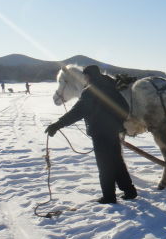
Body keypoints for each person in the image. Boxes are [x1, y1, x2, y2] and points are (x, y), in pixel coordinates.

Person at [45, 65, 136, 204]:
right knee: (117, 162)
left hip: (100, 133)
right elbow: (124, 107)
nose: (85, 79)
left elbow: (76, 112)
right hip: (112, 131)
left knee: (105, 165)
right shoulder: (111, 88)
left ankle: (109, 196)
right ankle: (129, 191)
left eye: (86, 76)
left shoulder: (90, 92)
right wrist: (117, 123)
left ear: (90, 76)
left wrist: (57, 125)